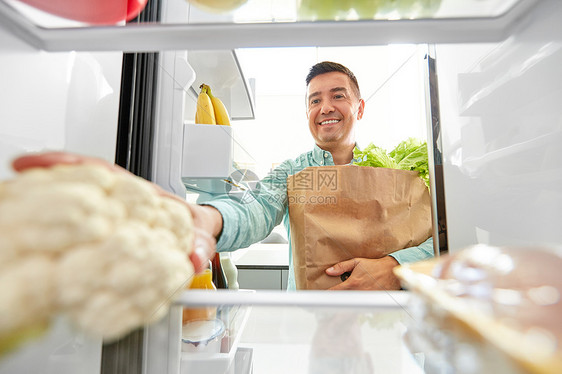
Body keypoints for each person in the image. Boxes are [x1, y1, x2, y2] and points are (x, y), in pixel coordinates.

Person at [192, 61, 434, 291]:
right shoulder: (292, 172)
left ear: (359, 108)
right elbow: (257, 207)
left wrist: (396, 266)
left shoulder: (390, 172)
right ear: (308, 111)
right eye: (315, 100)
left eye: (338, 96)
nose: (325, 107)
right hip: (308, 322)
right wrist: (210, 219)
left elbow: (445, 240)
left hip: (381, 318)